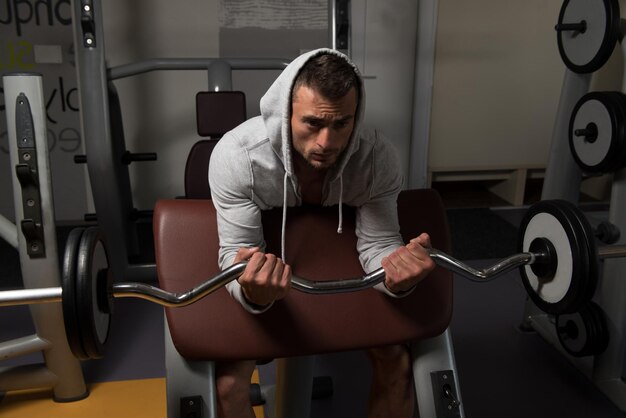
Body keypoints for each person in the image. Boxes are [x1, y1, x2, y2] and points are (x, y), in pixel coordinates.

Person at [208, 48, 435, 418]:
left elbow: (379, 244)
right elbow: (235, 253)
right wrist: (251, 289)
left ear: (356, 116)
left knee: (399, 367)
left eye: (341, 124)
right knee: (229, 386)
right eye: (313, 123)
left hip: (342, 267)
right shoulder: (239, 157)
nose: (327, 143)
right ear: (286, 112)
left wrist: (398, 275)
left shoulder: (377, 158)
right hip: (272, 266)